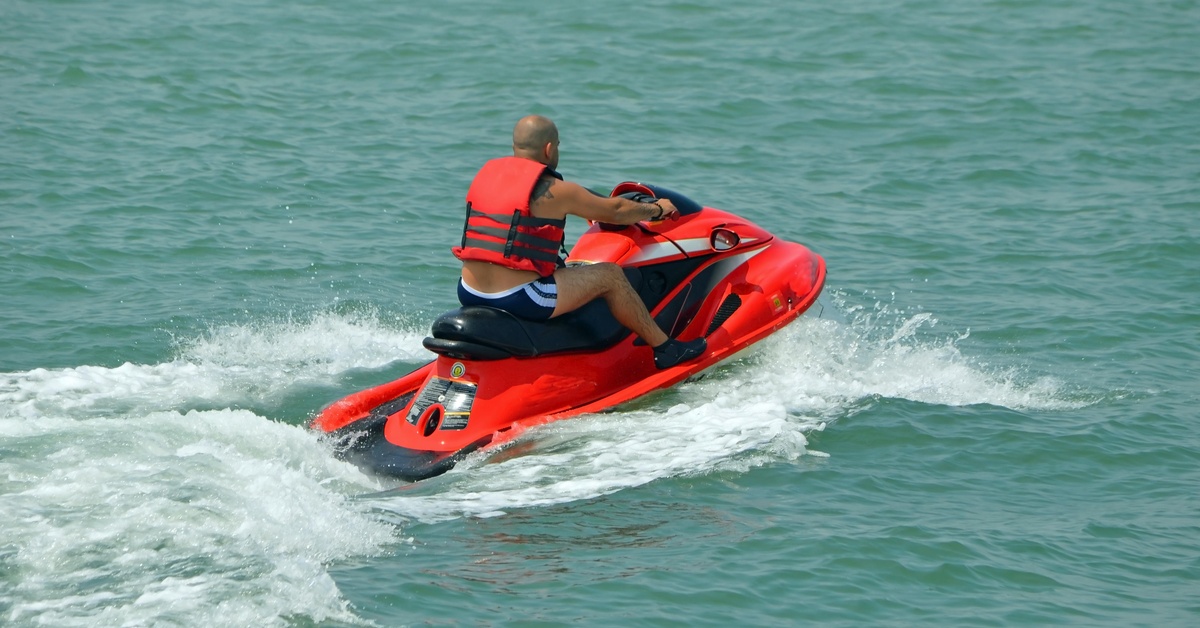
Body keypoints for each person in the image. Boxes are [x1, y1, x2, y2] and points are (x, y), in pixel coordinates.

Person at [452, 115, 706, 369]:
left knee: (564, 269)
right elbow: (616, 210)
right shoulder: (556, 190)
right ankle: (666, 349)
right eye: (558, 145)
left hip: (469, 290)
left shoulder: (487, 177)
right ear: (549, 148)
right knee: (611, 276)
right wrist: (657, 209)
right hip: (520, 297)